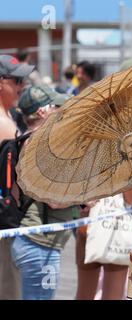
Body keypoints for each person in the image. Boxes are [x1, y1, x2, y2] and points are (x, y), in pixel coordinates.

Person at [9, 85, 75, 300]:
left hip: (31, 240)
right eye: (56, 106)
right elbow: (55, 200)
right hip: (39, 244)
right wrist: (87, 196)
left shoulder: (24, 140)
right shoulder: (41, 146)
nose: (61, 111)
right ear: (42, 112)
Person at [0, 54, 34, 300]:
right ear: (1, 82)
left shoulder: (11, 118)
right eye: (18, 80)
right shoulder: (3, 124)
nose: (23, 85)